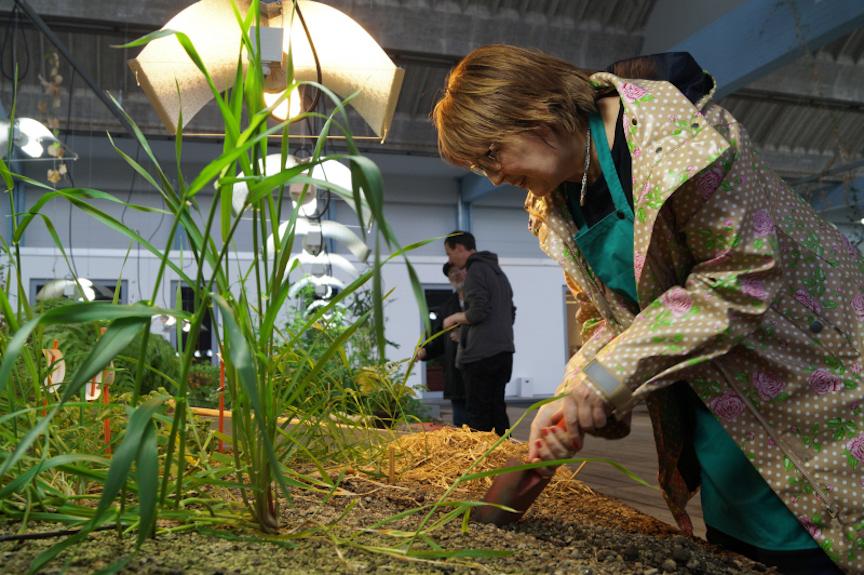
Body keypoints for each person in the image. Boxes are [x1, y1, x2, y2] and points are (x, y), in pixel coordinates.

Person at [432, 45, 860, 575]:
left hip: (800, 372)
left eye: (491, 154)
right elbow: (607, 317)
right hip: (713, 399)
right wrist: (575, 391)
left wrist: (612, 373)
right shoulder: (557, 203)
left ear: (536, 116)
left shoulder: (685, 137)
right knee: (742, 542)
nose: (492, 177)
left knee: (820, 532)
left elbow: (741, 274)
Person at [442, 231, 516, 436]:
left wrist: (454, 318)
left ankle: (484, 466)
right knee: (497, 410)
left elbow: (477, 313)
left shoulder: (475, 270)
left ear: (459, 248)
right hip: (503, 351)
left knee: (479, 416)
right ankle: (505, 458)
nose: (450, 260)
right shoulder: (497, 272)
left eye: (449, 254)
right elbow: (510, 312)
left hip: (481, 356)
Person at [416, 262, 468, 427]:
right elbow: (437, 338)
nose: (455, 274)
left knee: (485, 421)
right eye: (451, 273)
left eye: (459, 269)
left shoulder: (480, 300)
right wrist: (425, 350)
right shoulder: (448, 306)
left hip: (480, 372)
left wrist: (465, 336)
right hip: (456, 376)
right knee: (460, 423)